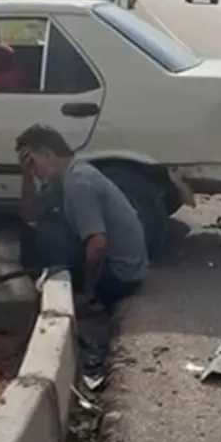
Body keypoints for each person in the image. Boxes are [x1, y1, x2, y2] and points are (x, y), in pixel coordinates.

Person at [15, 124, 148, 312]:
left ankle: (75, 294)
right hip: (127, 269)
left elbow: (97, 244)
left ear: (47, 153)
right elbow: (30, 218)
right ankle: (50, 283)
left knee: (49, 232)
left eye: (32, 163)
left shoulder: (79, 182)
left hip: (120, 276)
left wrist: (87, 294)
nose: (32, 170)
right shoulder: (65, 177)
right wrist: (27, 177)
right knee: (40, 227)